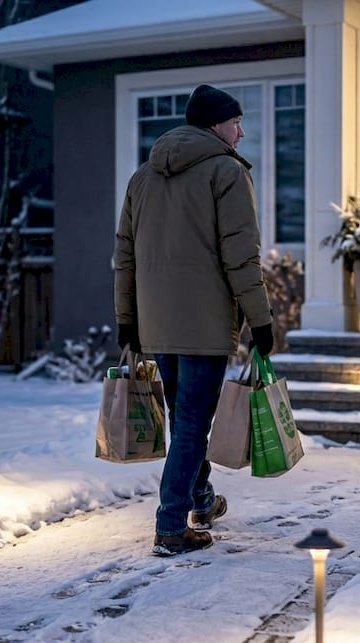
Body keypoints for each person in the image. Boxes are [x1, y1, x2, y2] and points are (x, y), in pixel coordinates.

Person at [114, 84, 275, 556]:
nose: (242, 132)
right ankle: (170, 525)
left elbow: (124, 256)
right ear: (214, 126)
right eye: (236, 123)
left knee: (187, 420)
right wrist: (260, 320)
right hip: (204, 325)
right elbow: (241, 255)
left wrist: (128, 321)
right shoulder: (226, 172)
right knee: (190, 424)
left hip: (158, 323)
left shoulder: (143, 177)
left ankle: (201, 499)